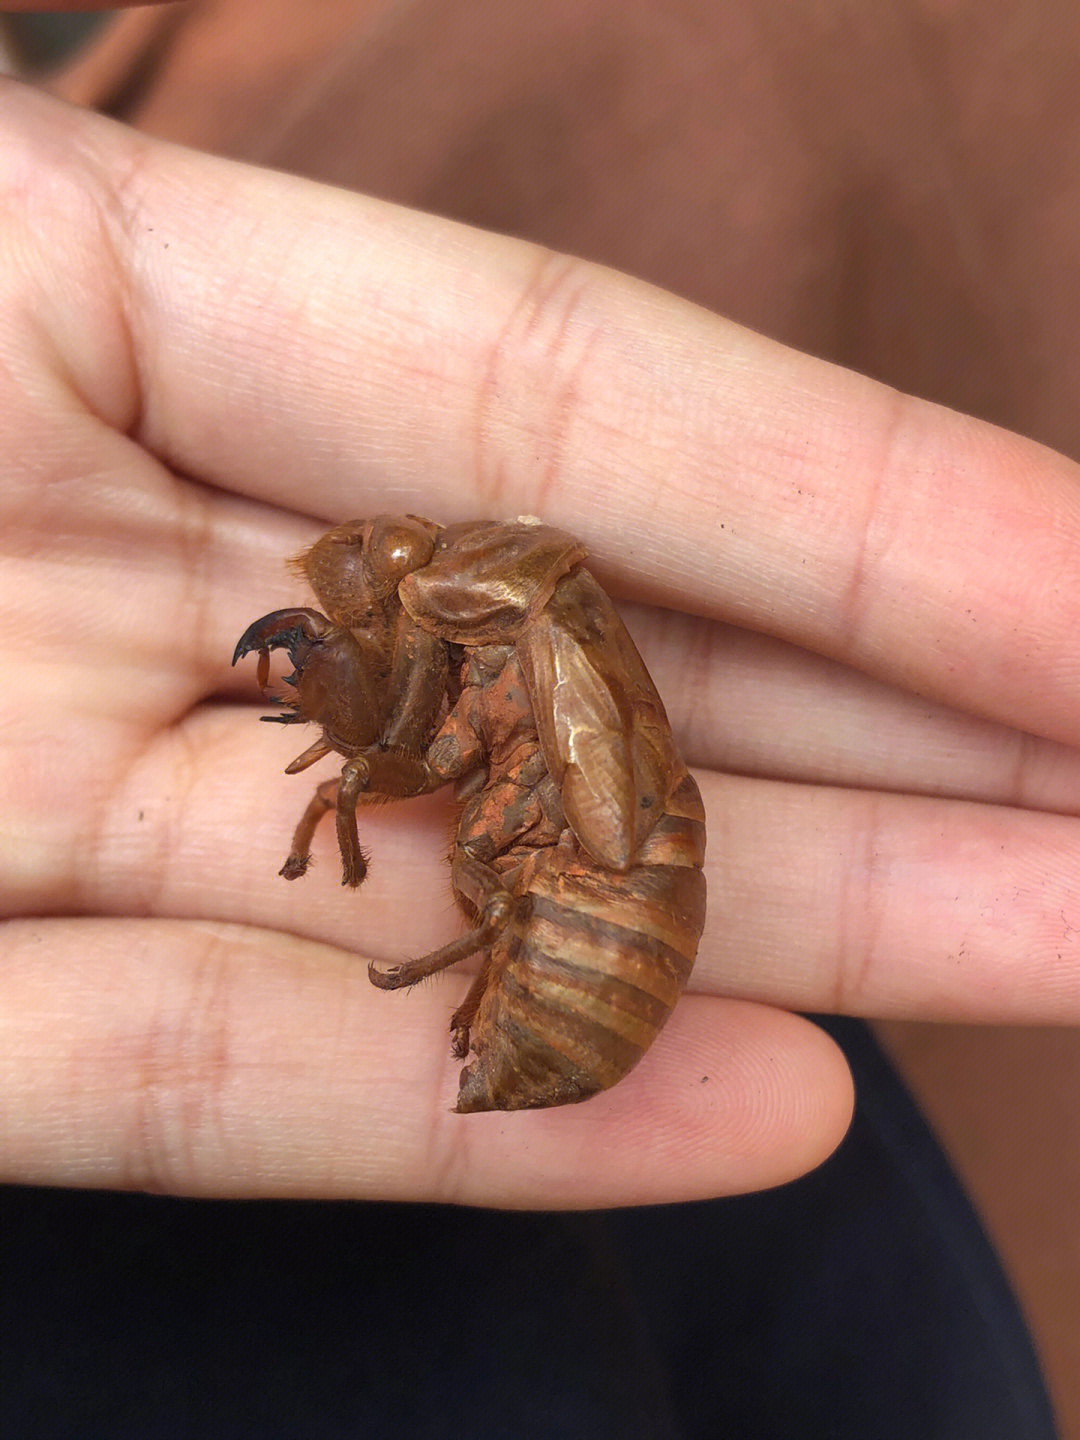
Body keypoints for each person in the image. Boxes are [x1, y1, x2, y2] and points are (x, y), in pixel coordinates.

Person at [2, 4, 1078, 1433]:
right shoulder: (511, 646)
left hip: (576, 942)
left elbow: (395, 758)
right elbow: (417, 756)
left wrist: (351, 757)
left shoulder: (492, 650)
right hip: (585, 927)